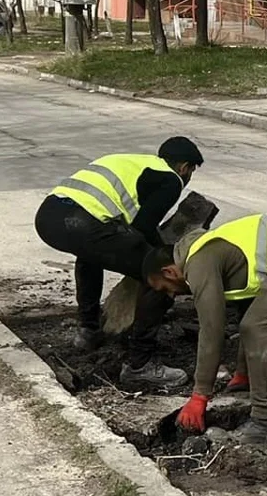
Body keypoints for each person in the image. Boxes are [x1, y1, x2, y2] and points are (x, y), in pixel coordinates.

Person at [149, 211, 267, 445]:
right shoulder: (214, 249)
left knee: (258, 328)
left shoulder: (198, 263)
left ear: (169, 272)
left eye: (165, 287)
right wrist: (243, 373)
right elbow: (249, 306)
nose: (171, 294)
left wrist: (199, 396)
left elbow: (212, 330)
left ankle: (263, 422)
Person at [35, 136, 205, 388]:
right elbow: (143, 226)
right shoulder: (171, 179)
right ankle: (140, 365)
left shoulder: (130, 161)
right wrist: (163, 254)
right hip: (83, 223)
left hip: (50, 217)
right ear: (184, 167)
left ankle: (88, 330)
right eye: (191, 170)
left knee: (90, 254)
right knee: (161, 276)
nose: (188, 176)